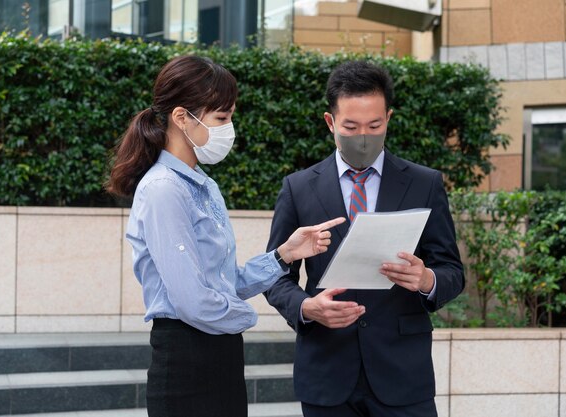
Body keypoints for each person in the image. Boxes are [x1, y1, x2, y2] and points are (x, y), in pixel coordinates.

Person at [106, 55, 344, 417]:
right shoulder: (163, 189)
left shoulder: (204, 186)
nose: (229, 128)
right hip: (185, 356)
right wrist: (249, 319)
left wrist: (284, 255)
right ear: (182, 117)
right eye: (222, 118)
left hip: (220, 352)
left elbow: (224, 281)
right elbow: (193, 300)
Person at [264, 60, 465, 417]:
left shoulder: (424, 183)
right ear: (330, 123)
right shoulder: (298, 188)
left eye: (374, 125)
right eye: (351, 126)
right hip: (326, 373)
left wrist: (427, 279)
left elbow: (451, 269)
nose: (363, 137)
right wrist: (306, 308)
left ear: (388, 118)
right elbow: (276, 274)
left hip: (403, 374)